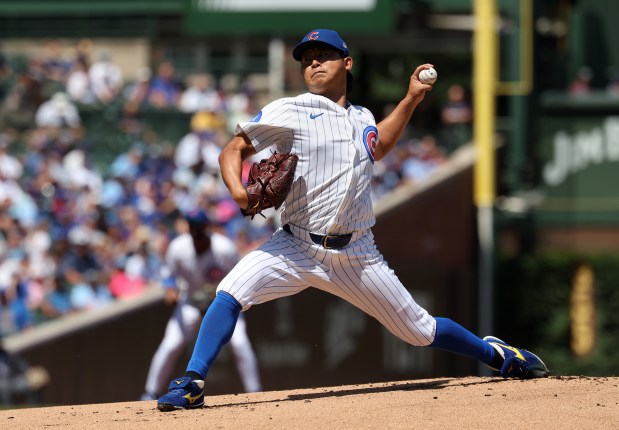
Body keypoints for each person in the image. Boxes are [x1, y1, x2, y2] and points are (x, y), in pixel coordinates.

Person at [156, 28, 548, 412]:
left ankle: (496, 354)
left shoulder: (362, 116)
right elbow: (232, 150)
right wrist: (239, 192)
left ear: (346, 63)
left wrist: (411, 98)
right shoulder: (289, 109)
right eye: (307, 60)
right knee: (229, 293)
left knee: (419, 330)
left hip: (357, 253)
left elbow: (379, 145)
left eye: (322, 56)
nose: (313, 63)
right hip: (294, 244)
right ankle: (192, 381)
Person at [142, 209, 262, 401]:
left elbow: (241, 275)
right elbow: (168, 277)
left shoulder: (224, 248)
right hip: (190, 304)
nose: (196, 231)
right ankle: (150, 393)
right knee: (170, 345)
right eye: (193, 227)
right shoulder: (178, 247)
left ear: (207, 228)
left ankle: (255, 391)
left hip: (221, 304)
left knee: (240, 344)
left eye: (199, 227)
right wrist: (170, 289)